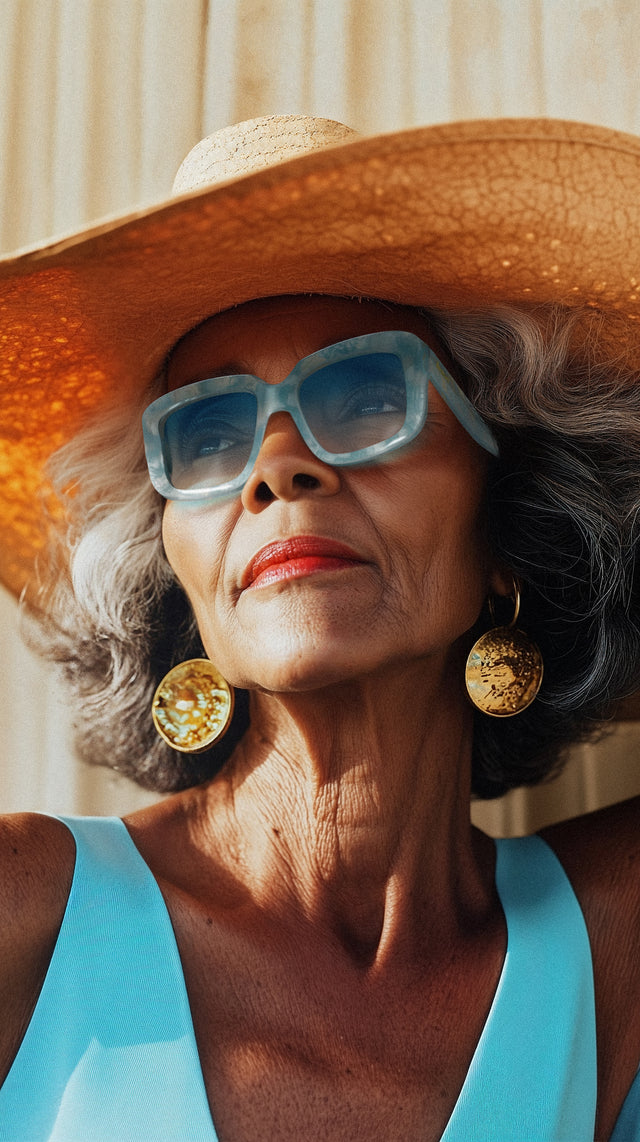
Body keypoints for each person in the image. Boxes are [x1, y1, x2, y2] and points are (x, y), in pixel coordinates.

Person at [0, 114, 639, 1141]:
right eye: (206, 434)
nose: (276, 465)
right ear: (178, 573)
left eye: (365, 392)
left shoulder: (612, 941)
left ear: (514, 519)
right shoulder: (22, 909)